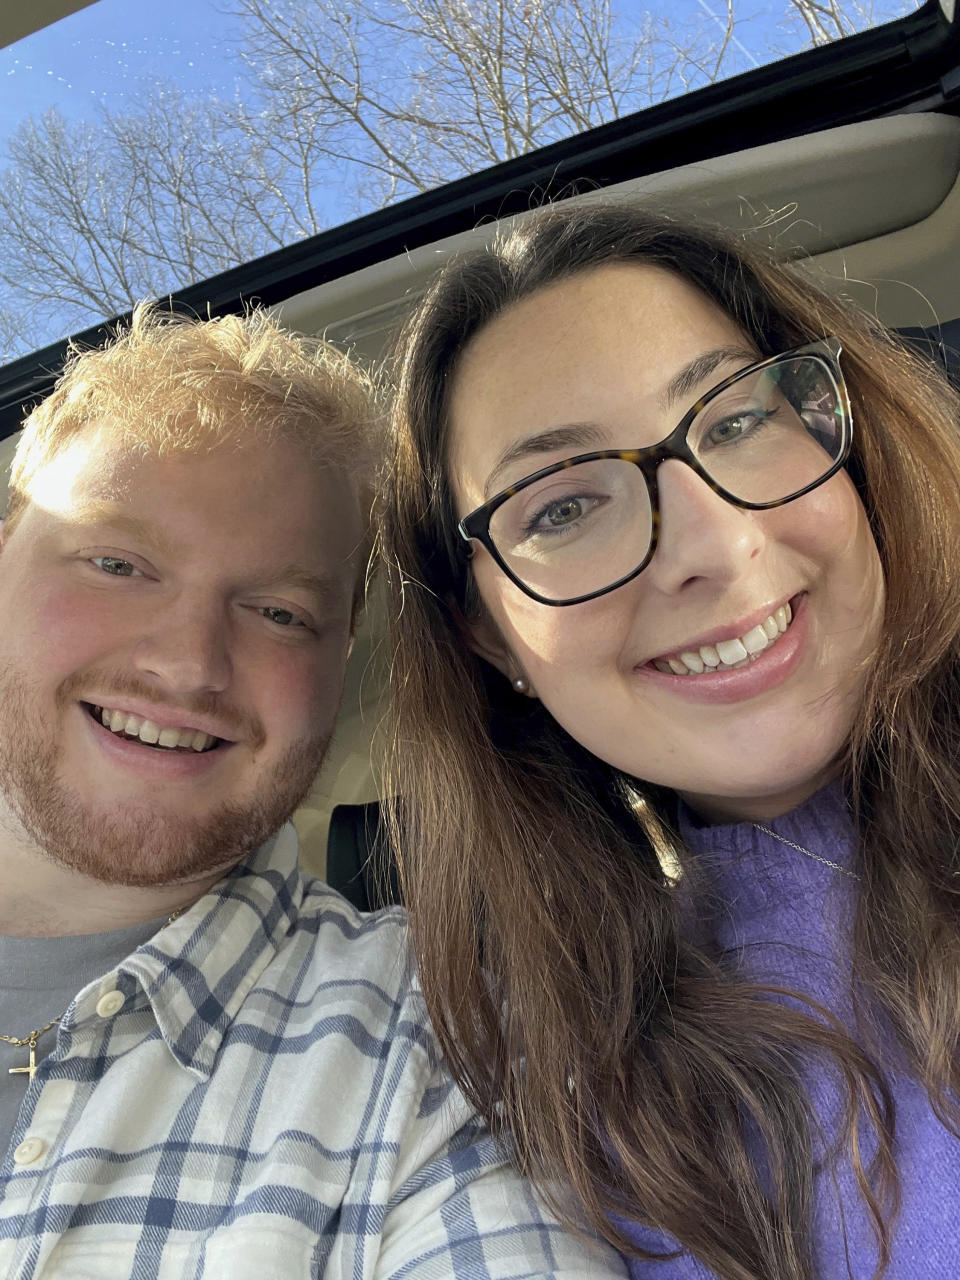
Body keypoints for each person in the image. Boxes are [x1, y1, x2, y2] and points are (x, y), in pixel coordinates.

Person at [381, 202, 960, 1280]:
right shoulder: (515, 1068)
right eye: (560, 507)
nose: (711, 541)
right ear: (489, 635)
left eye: (736, 419)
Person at [0, 305, 626, 1278]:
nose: (188, 662)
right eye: (118, 562)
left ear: (341, 658)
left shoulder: (445, 1047)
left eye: (280, 610)